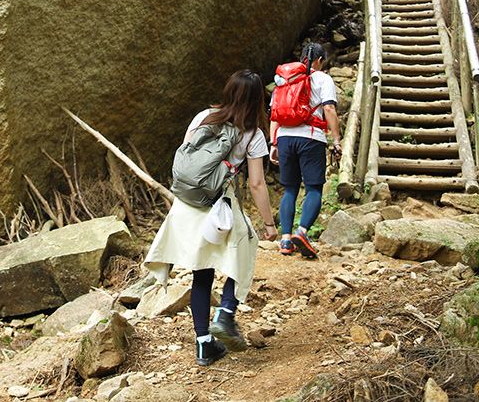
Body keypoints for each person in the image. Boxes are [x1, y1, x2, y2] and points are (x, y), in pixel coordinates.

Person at [145, 70, 278, 367]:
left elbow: (186, 157)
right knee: (244, 249)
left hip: (188, 204)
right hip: (220, 204)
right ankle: (226, 313)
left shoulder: (204, 116)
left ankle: (204, 343)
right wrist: (269, 224)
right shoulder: (253, 134)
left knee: (201, 272)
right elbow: (257, 184)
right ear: (258, 100)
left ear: (228, 91)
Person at [269, 43, 341, 260]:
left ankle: (285, 239)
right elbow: (328, 108)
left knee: (289, 189)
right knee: (313, 189)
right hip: (311, 137)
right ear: (319, 60)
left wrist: (273, 144)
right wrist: (336, 139)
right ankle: (302, 232)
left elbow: (274, 115)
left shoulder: (283, 80)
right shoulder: (322, 79)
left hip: (284, 138)